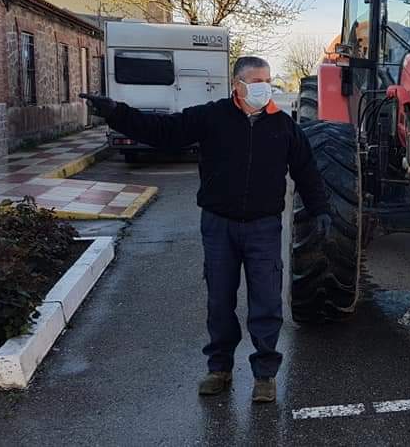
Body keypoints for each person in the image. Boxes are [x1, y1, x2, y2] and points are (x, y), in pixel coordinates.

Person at [80, 56, 331, 404]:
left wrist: (320, 209)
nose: (265, 88)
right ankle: (219, 369)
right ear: (237, 86)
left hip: (263, 228)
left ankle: (264, 375)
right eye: (257, 81)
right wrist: (116, 112)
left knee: (266, 302)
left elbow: (306, 170)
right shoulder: (211, 116)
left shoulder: (283, 126)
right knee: (219, 301)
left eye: (268, 80)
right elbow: (163, 132)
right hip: (219, 226)